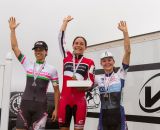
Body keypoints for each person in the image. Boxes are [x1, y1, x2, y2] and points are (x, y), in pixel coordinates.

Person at [9, 17, 60, 130]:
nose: (37, 51)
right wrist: (12, 30)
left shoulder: (52, 69)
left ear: (46, 52)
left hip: (41, 107)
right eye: (36, 49)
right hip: (25, 105)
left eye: (40, 49)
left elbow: (57, 91)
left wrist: (57, 109)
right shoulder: (27, 64)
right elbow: (15, 47)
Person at [58, 16, 95, 130]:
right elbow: (61, 39)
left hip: (80, 102)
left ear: (85, 47)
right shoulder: (67, 56)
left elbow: (91, 82)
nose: (78, 45)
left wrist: (79, 83)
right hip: (64, 100)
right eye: (76, 43)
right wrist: (65, 23)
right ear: (73, 45)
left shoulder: (89, 62)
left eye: (81, 44)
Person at [96, 21, 131, 130]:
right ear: (101, 63)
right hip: (104, 118)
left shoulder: (120, 74)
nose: (107, 63)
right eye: (104, 61)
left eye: (109, 60)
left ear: (113, 61)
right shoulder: (98, 79)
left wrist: (125, 33)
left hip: (118, 117)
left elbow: (128, 52)